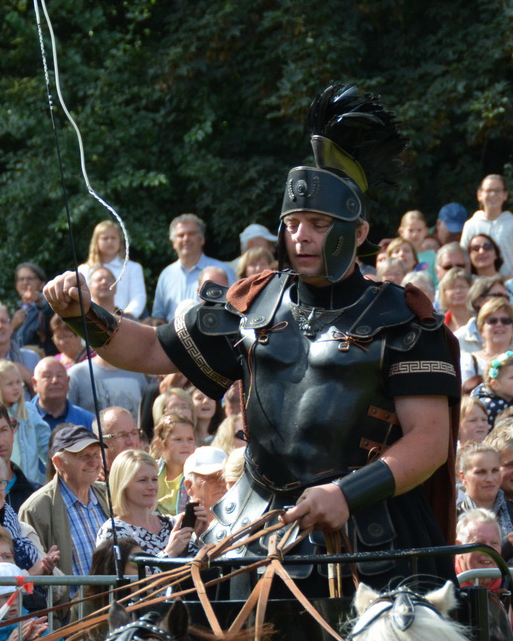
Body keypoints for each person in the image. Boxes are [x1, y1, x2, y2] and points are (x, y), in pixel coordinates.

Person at [48, 88, 461, 586]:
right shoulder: (252, 304)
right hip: (252, 528)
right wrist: (85, 314)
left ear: (357, 232)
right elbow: (150, 348)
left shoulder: (402, 317)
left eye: (318, 224)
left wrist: (346, 495)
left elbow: (431, 439)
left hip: (373, 535)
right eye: (292, 224)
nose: (301, 236)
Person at [18, 424, 109, 597]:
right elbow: (34, 574)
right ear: (58, 462)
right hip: (70, 616)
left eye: (96, 455)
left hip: (113, 605)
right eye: (84, 456)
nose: (93, 462)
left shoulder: (108, 495)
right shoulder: (36, 508)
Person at [92, 448, 196, 560]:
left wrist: (199, 534)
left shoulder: (170, 523)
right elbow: (130, 575)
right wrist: (169, 553)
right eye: (143, 480)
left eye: (154, 479)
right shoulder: (113, 531)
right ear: (123, 485)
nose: (151, 486)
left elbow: (197, 566)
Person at [150, 213, 232, 324]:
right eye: (180, 235)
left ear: (202, 239)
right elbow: (159, 317)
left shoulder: (222, 270)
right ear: (173, 243)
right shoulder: (166, 274)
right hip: (173, 338)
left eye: (191, 234)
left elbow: (235, 308)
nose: (186, 239)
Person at [78, 220, 147, 319]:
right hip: (91, 322)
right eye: (105, 238)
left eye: (113, 238)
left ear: (120, 240)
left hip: (125, 323)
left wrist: (125, 318)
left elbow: (138, 298)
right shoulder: (83, 270)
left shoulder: (133, 268)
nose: (110, 241)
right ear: (96, 241)